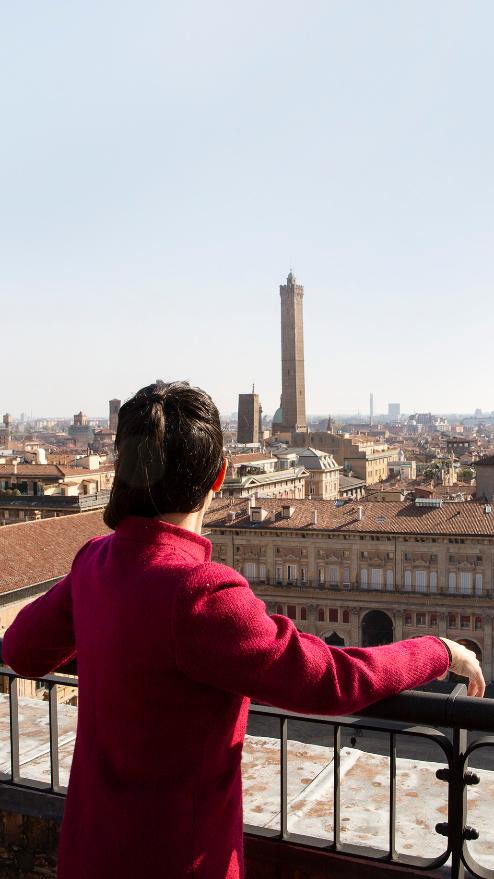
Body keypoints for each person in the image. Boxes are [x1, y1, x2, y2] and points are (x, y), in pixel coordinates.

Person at [2, 380, 485, 879]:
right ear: (219, 477)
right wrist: (439, 650)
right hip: (180, 861)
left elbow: (22, 652)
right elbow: (330, 680)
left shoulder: (94, 562)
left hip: (89, 853)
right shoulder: (198, 588)